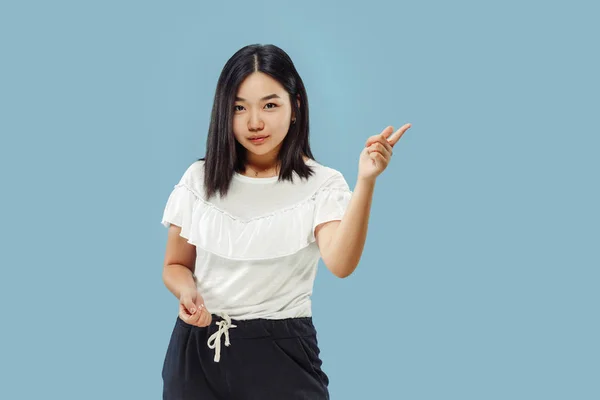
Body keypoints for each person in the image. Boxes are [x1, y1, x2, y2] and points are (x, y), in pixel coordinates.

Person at [160, 43, 411, 399]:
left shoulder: (320, 184)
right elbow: (174, 265)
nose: (254, 122)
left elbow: (340, 263)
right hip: (198, 351)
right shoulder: (199, 179)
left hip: (281, 352)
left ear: (295, 107)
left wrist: (366, 181)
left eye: (270, 105)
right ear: (223, 112)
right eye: (238, 107)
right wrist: (187, 292)